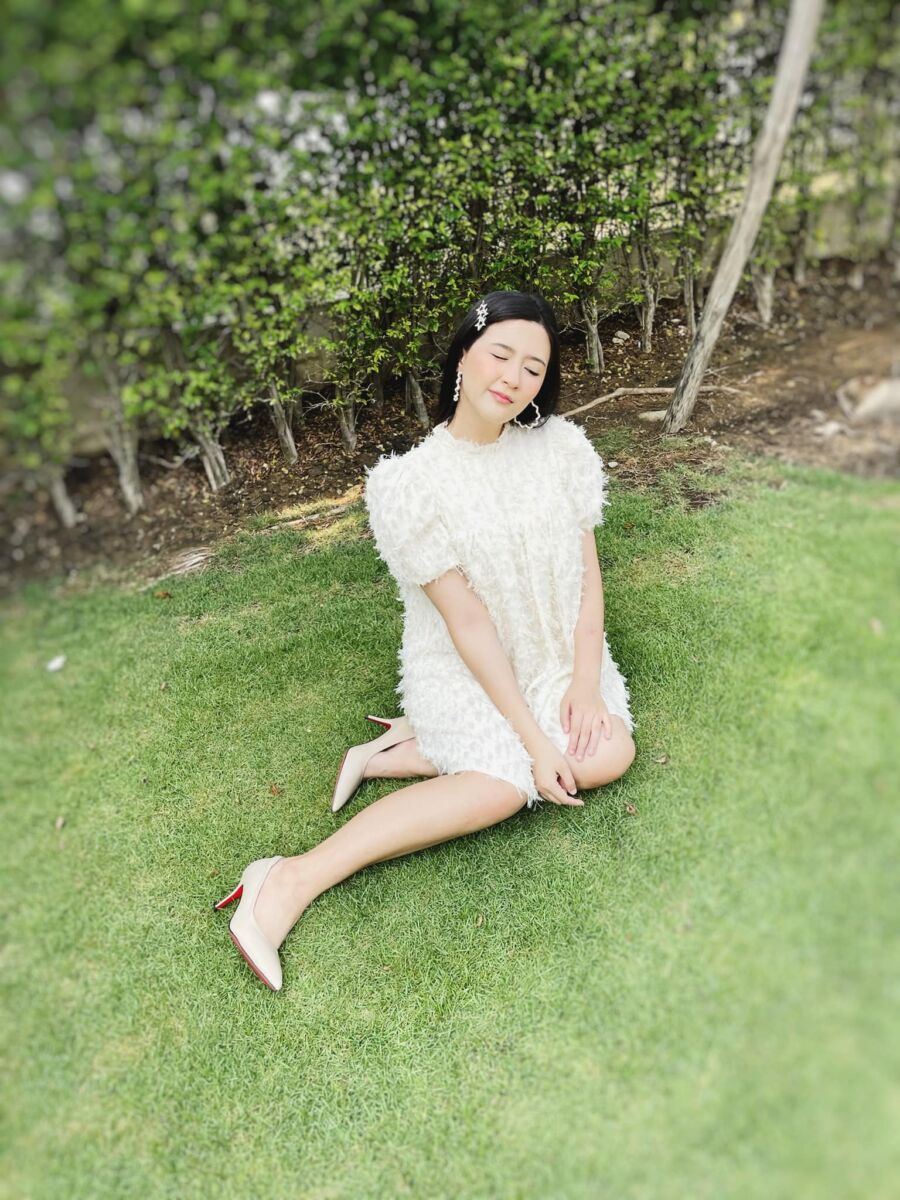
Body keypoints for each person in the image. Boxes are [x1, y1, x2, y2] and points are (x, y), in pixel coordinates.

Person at [213, 290, 636, 991]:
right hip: (465, 672)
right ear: (464, 357)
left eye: (534, 368)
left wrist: (586, 684)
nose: (515, 378)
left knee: (608, 752)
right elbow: (468, 626)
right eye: (501, 355)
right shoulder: (409, 484)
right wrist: (534, 741)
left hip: (555, 659)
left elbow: (588, 581)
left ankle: (404, 752)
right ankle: (288, 877)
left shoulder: (562, 449)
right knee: (503, 787)